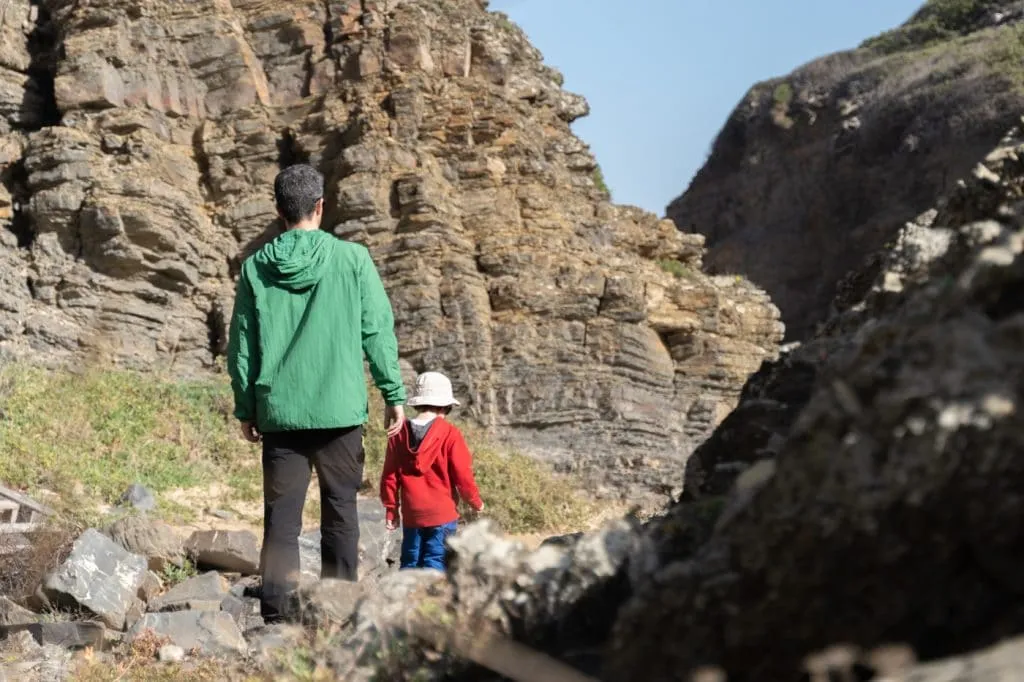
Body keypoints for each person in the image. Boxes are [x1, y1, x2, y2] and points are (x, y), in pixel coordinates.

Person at [226, 163, 406, 623]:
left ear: (278, 211)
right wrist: (393, 393)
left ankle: (277, 620)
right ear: (320, 206)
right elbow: (377, 332)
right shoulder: (353, 260)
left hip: (280, 414)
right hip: (340, 412)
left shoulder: (255, 268)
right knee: (341, 513)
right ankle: (340, 614)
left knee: (281, 520)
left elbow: (243, 346)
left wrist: (246, 407)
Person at [380, 371, 484, 571]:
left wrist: (391, 510)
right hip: (442, 515)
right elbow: (463, 476)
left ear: (418, 403)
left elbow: (389, 478)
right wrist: (475, 502)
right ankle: (431, 602)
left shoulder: (398, 434)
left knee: (410, 563)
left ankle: (405, 600)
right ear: (445, 406)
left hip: (412, 516)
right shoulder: (451, 434)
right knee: (436, 562)